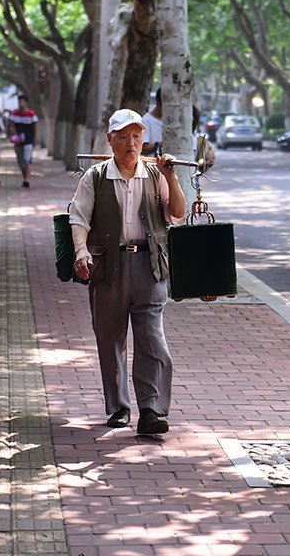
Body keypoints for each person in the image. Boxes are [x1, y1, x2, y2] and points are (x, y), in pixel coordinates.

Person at [69, 108, 187, 435]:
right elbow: (79, 218)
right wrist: (81, 251)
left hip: (150, 265)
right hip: (108, 265)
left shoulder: (156, 174)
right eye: (122, 137)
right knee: (110, 338)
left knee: (152, 339)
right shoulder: (95, 176)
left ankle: (151, 410)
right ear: (110, 140)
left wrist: (172, 177)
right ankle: (118, 406)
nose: (130, 143)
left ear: (144, 139)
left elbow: (177, 213)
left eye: (136, 136)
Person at [7, 94, 37, 188]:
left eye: (22, 101)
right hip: (18, 141)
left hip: (28, 140)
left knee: (27, 160)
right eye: (19, 102)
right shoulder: (15, 114)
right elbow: (11, 125)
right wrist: (12, 131)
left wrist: (34, 140)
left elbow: (35, 128)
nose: (20, 104)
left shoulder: (31, 114)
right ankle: (25, 178)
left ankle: (27, 180)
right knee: (21, 161)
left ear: (26, 103)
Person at [141, 88, 163, 155]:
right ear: (158, 103)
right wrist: (160, 144)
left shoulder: (170, 122)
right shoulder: (146, 120)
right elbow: (143, 149)